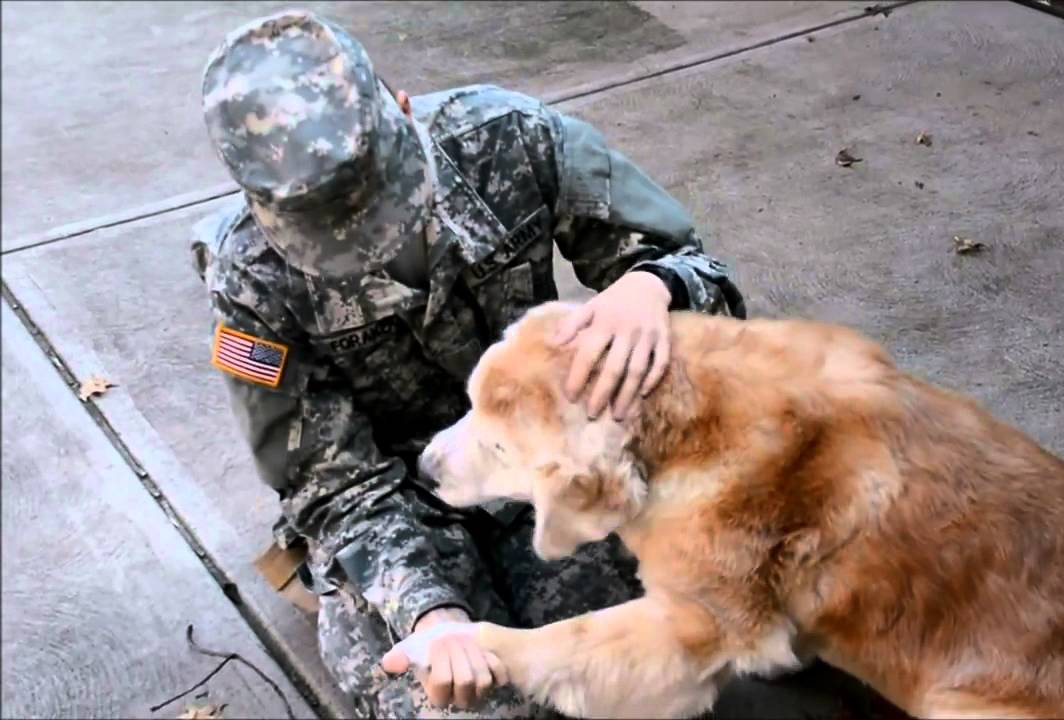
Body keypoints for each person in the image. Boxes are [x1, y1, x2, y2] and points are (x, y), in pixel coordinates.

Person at [192, 9, 856, 719]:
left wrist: (652, 288)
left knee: (694, 638)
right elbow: (335, 488)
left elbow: (705, 286)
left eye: (381, 204)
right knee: (462, 701)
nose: (373, 242)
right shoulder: (251, 276)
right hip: (402, 519)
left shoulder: (506, 138)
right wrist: (430, 617)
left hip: (544, 469)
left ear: (405, 108)